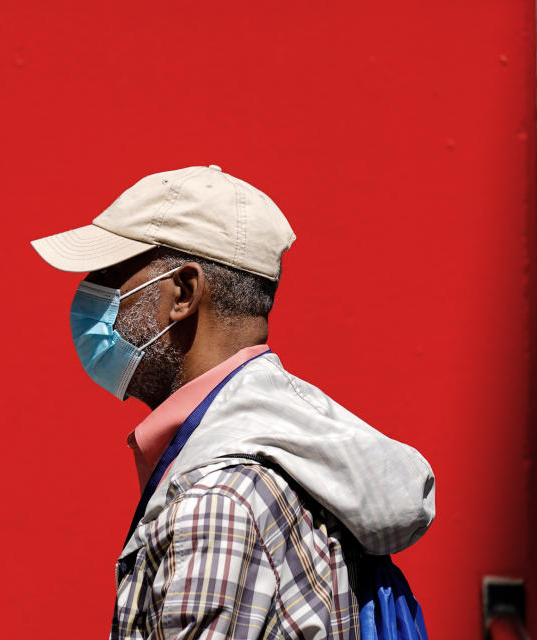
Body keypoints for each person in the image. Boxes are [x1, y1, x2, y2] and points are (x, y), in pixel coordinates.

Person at [30, 165, 435, 639]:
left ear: (183, 293)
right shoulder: (289, 448)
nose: (88, 295)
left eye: (107, 275)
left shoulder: (215, 505)